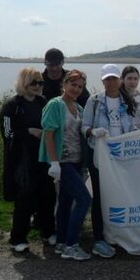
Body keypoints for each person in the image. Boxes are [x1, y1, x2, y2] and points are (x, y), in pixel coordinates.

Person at [81, 64, 137, 258]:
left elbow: (132, 129)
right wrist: (92, 132)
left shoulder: (128, 101)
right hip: (99, 157)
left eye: (114, 78)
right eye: (107, 79)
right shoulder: (94, 101)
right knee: (99, 196)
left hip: (121, 158)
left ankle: (119, 233)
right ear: (102, 81)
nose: (111, 82)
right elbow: (84, 126)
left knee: (120, 194)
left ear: (119, 80)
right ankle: (99, 239)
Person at [0, 68, 56, 252]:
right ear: (24, 83)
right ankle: (18, 238)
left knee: (47, 195)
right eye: (34, 83)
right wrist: (29, 131)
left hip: (42, 157)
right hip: (21, 160)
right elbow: (7, 134)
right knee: (24, 198)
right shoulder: (12, 105)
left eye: (40, 83)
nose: (38, 86)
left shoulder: (43, 102)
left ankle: (47, 232)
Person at [39, 69, 92, 261]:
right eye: (73, 84)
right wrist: (54, 163)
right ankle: (72, 245)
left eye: (80, 86)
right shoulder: (55, 105)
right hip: (63, 162)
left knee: (66, 202)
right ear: (64, 84)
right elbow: (49, 134)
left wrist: (94, 132)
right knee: (85, 200)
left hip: (77, 162)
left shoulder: (78, 108)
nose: (76, 89)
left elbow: (83, 131)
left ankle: (61, 242)